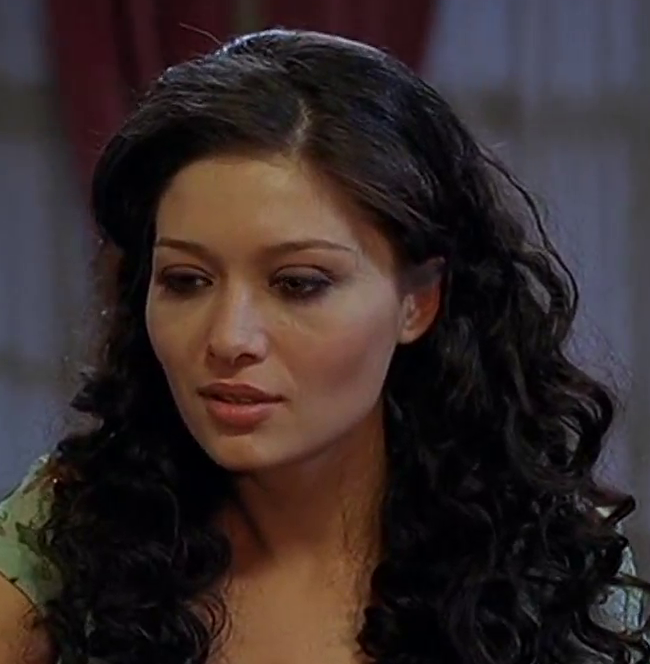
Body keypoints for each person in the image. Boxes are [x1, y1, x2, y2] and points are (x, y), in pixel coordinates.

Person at [0, 28, 647, 664]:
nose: (229, 338)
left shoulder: (553, 565)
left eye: (298, 284)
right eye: (187, 280)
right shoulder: (72, 525)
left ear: (419, 301)